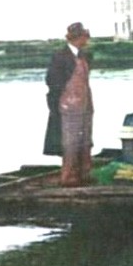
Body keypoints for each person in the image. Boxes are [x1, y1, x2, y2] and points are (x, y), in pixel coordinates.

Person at [43, 22, 94, 187]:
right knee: (70, 143)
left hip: (85, 105)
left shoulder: (83, 55)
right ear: (77, 38)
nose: (87, 40)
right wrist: (61, 103)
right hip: (69, 107)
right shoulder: (60, 56)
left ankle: (84, 173)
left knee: (85, 140)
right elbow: (52, 82)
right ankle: (69, 177)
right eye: (85, 37)